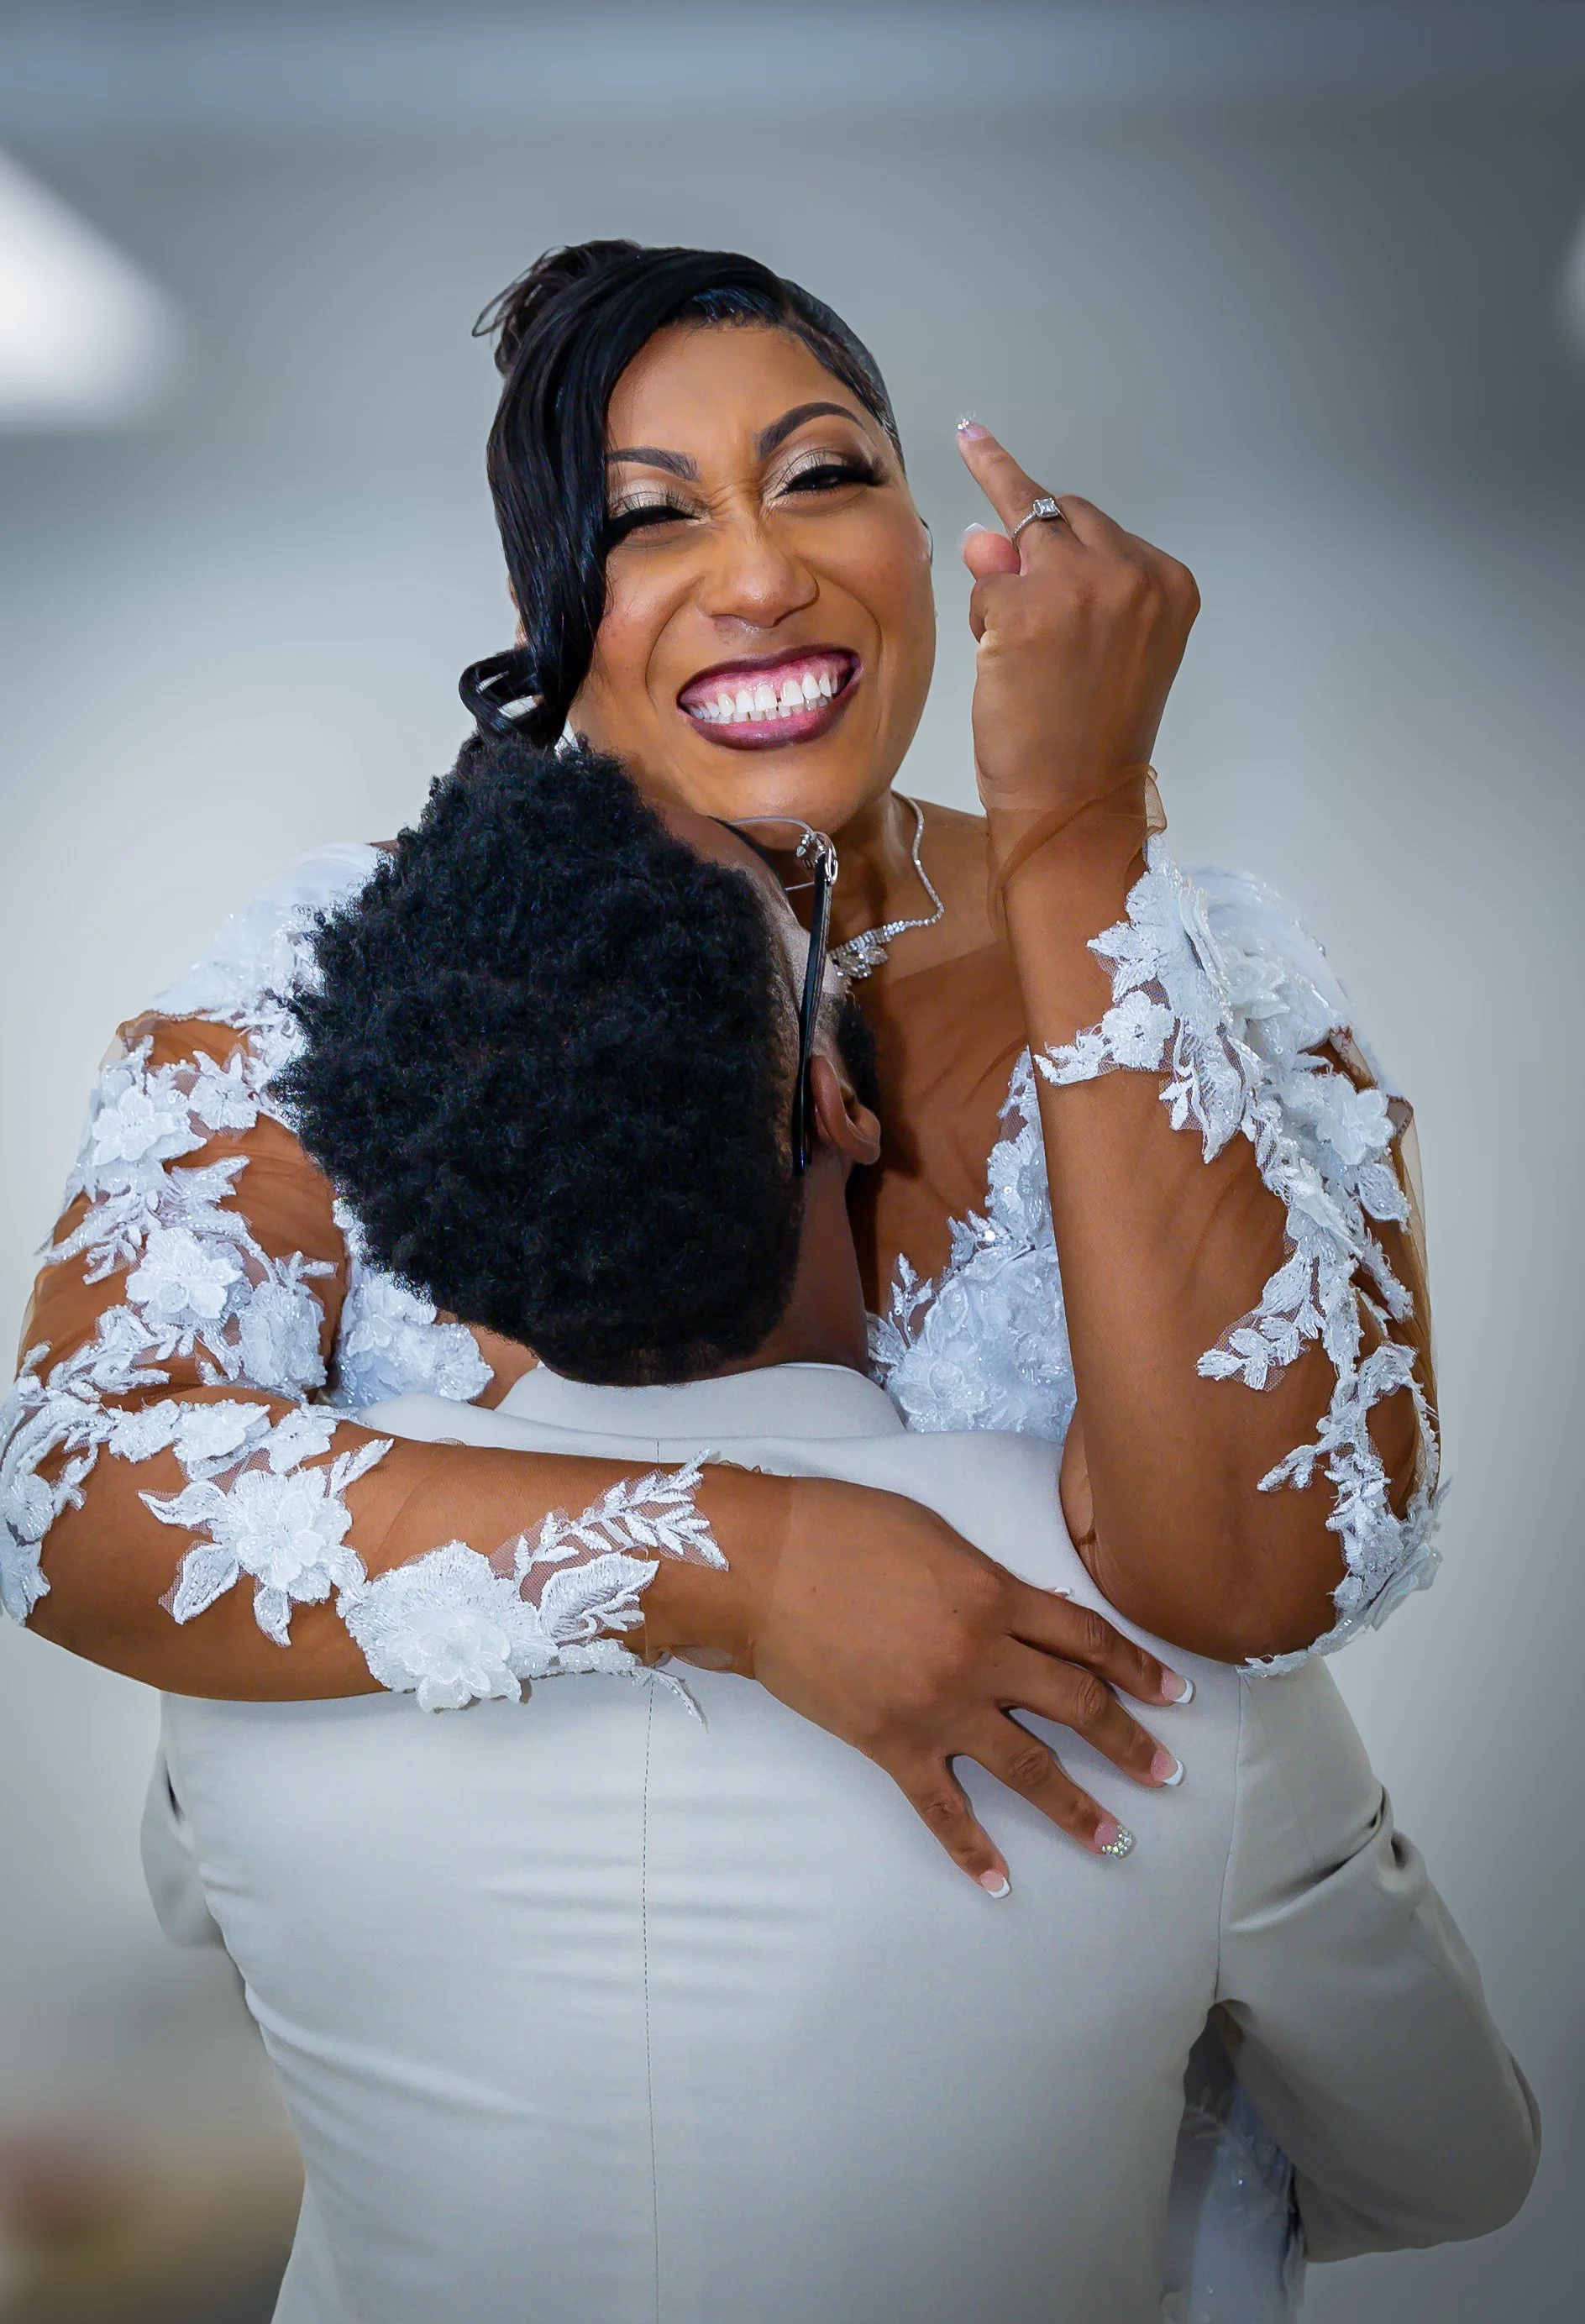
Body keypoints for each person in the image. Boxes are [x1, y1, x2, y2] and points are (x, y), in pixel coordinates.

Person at [2, 240, 1436, 1896]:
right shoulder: (346, 960)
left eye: (821, 478)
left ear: (917, 541)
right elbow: (82, 1488)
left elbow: (1270, 1579)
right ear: (546, 600)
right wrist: (742, 1562)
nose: (758, 578)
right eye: (649, 517)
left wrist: (1074, 839)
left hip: (1104, 2104)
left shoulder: (1209, 963)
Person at [140, 737, 1534, 2324]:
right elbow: (1452, 2166)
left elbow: (225, 1945)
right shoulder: (1134, 1638)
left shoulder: (261, 1620)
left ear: (415, 1218)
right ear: (835, 1097)